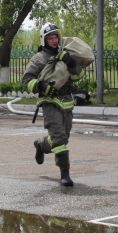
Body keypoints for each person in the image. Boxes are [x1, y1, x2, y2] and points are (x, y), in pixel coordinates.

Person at [22, 22, 83, 187]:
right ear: (44, 40)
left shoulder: (65, 55)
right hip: (49, 102)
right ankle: (65, 174)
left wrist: (70, 63)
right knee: (59, 138)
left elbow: (77, 77)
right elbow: (26, 81)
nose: (54, 40)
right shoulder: (39, 59)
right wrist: (41, 86)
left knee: (62, 139)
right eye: (50, 38)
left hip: (66, 102)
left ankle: (41, 145)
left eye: (56, 37)